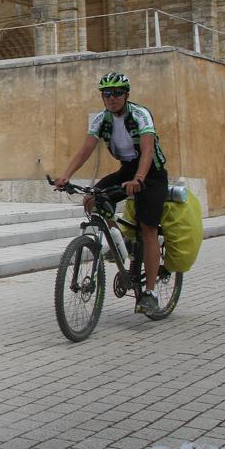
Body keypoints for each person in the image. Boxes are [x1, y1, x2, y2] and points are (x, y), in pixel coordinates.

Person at [53, 72, 169, 316]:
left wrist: (139, 179)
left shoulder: (139, 114)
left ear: (126, 95)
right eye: (107, 94)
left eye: (117, 93)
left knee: (148, 228)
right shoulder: (101, 120)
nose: (112, 98)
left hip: (151, 173)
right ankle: (119, 240)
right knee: (92, 199)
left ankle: (149, 294)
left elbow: (147, 150)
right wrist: (66, 176)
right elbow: (85, 150)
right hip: (127, 170)